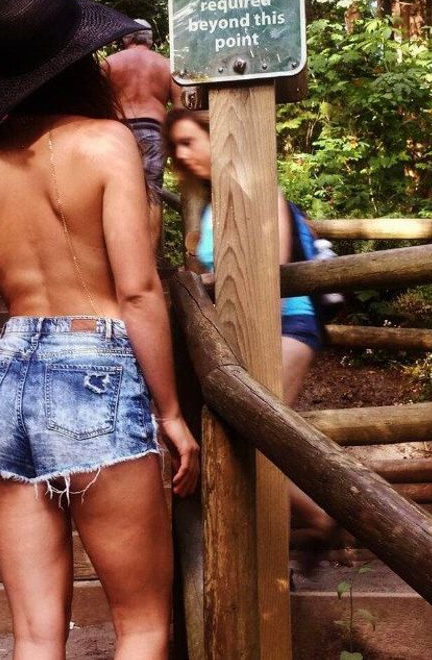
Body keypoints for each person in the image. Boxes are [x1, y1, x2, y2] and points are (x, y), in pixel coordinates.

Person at [0, 0, 199, 656]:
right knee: (141, 626)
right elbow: (139, 290)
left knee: (33, 636)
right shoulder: (106, 145)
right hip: (98, 370)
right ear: (80, 60)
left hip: (6, 380)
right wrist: (170, 413)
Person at [163, 108, 339, 570]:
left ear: (214, 138)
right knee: (250, 440)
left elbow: (271, 263)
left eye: (189, 141)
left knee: (257, 436)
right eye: (176, 147)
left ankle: (309, 527)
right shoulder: (208, 203)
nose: (182, 154)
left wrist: (205, 285)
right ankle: (294, 538)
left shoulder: (259, 188)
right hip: (241, 332)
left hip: (288, 325)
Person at [103, 18, 183, 248]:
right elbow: (179, 109)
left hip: (118, 131)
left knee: (116, 193)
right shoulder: (167, 66)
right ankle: (150, 261)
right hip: (153, 130)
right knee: (152, 194)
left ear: (126, 38)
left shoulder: (109, 64)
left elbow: (96, 105)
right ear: (150, 39)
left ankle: (119, 255)